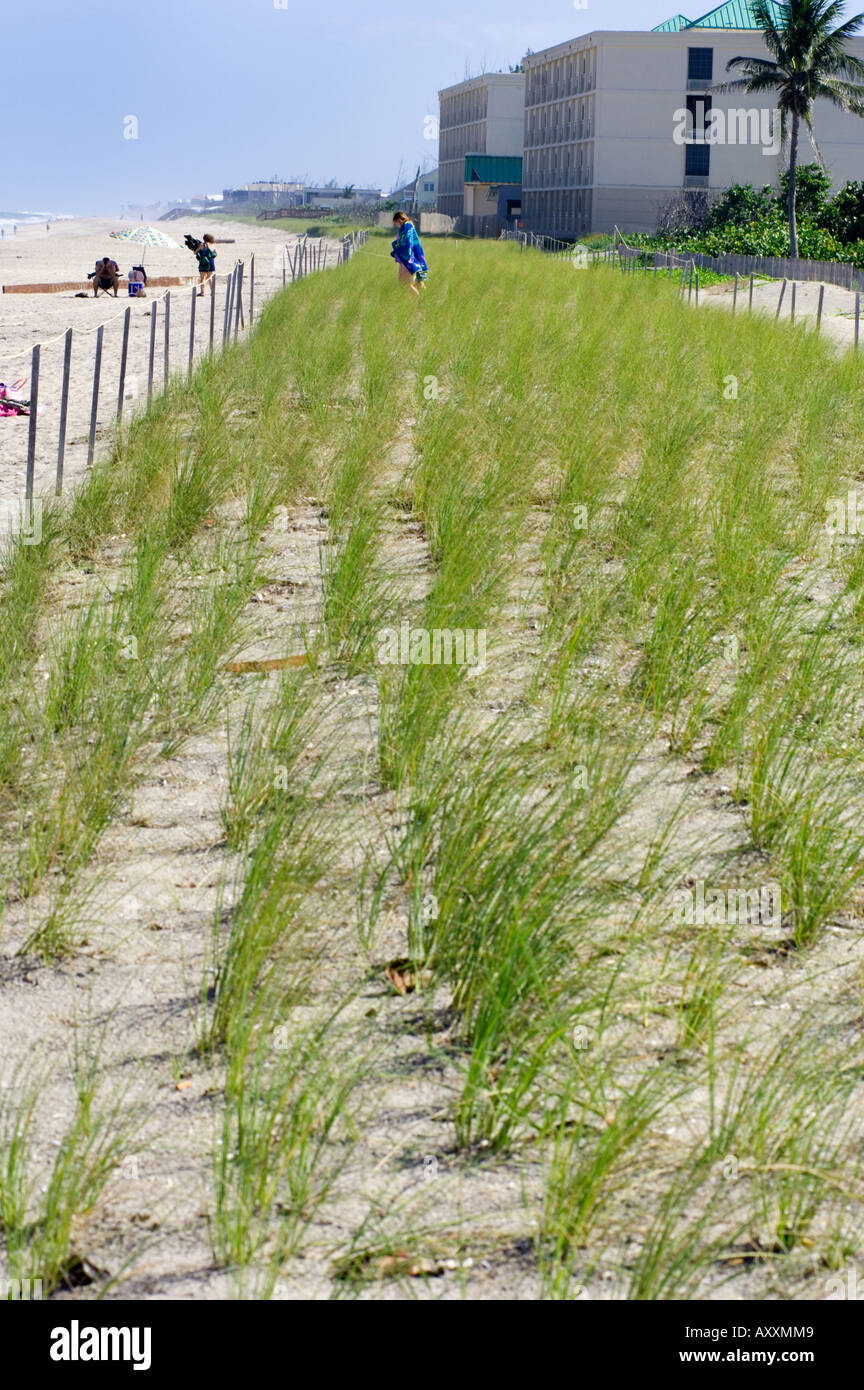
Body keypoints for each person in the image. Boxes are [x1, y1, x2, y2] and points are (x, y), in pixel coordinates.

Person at [390, 212, 427, 296]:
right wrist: (396, 251)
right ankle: (420, 299)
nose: (396, 225)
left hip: (408, 259)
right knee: (405, 283)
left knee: (406, 284)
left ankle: (418, 301)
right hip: (403, 260)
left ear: (399, 220)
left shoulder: (408, 226)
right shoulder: (404, 228)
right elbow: (402, 241)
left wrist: (397, 246)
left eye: (396, 222)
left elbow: (407, 242)